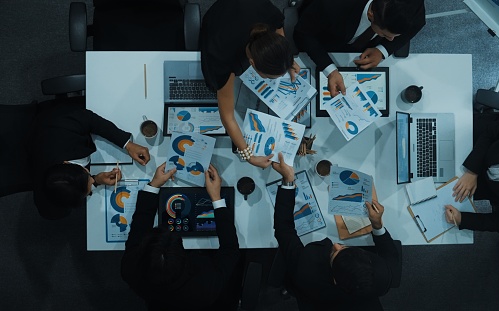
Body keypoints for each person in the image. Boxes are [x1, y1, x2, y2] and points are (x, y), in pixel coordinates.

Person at [271, 153, 400, 310]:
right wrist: (377, 225)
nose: (338, 245)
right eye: (345, 247)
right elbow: (391, 256)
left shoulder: (305, 267)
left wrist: (288, 182)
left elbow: (283, 229)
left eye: (335, 253)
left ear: (335, 280)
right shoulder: (383, 277)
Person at [121, 163, 241, 310]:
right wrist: (216, 198)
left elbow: (139, 226)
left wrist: (154, 186)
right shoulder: (207, 285)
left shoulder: (131, 270)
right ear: (184, 255)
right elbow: (231, 250)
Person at [200, 0, 299, 168]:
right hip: (219, 21)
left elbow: (279, 26)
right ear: (251, 63)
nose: (272, 81)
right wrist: (248, 155)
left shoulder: (266, 15)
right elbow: (228, 116)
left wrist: (286, 59)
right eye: (269, 77)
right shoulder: (223, 56)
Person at [29, 97, 150, 220]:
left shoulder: (62, 128)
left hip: (55, 116)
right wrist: (96, 180)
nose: (91, 181)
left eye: (88, 177)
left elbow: (91, 120)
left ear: (66, 163)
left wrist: (127, 145)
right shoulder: (51, 206)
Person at [294, 0, 426, 97]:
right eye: (385, 35)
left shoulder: (413, 7)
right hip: (327, 36)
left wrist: (383, 50)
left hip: (364, 43)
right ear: (371, 13)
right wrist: (330, 71)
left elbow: (418, 23)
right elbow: (303, 33)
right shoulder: (331, 5)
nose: (391, 39)